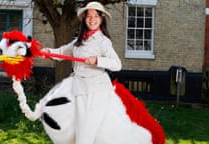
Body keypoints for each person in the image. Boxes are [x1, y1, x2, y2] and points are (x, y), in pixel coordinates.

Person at [41, 1, 162, 144]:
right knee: (78, 132)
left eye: (96, 16)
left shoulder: (103, 42)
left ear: (101, 19)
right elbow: (62, 52)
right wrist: (47, 52)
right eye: (89, 16)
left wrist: (97, 60)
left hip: (97, 92)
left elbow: (117, 64)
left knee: (85, 137)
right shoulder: (79, 41)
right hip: (79, 90)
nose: (92, 19)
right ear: (84, 19)